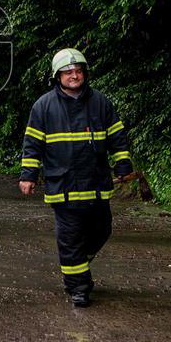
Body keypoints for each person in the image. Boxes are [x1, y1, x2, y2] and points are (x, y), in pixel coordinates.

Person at [18, 48, 133, 308]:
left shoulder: (101, 102)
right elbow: (32, 144)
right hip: (64, 187)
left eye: (78, 71)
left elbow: (117, 136)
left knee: (102, 231)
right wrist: (28, 175)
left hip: (96, 185)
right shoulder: (43, 106)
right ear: (57, 76)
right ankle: (78, 287)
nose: (74, 75)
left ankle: (77, 265)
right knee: (70, 238)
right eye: (68, 72)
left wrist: (123, 163)